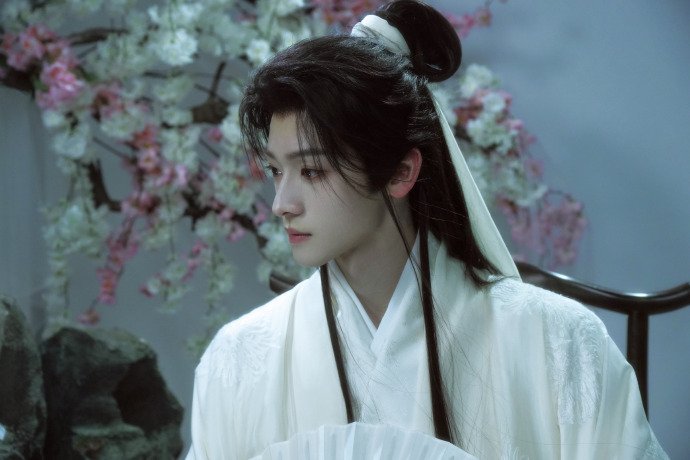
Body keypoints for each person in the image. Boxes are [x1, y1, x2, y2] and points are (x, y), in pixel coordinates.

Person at [187, 1, 667, 458]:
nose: (281, 204)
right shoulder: (238, 357)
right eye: (276, 171)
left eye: (312, 171)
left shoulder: (555, 342)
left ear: (400, 173)